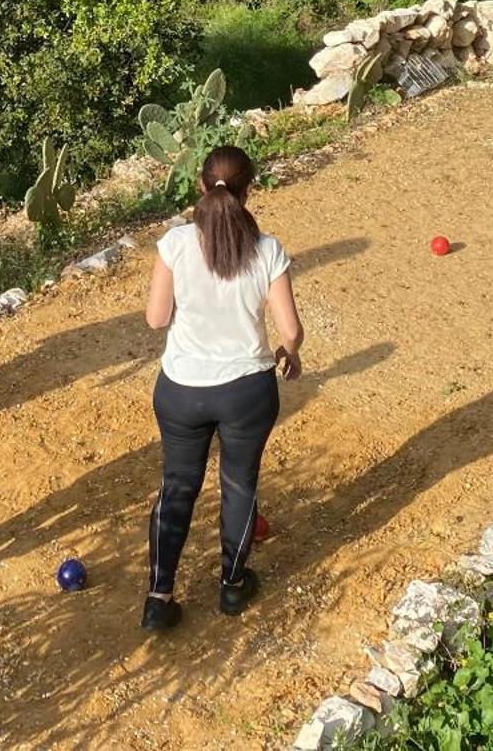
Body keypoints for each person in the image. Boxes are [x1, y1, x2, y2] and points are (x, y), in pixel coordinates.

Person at [141, 144, 303, 632]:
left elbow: (155, 319)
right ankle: (232, 587)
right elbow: (290, 330)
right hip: (246, 392)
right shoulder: (267, 249)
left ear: (200, 185)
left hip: (181, 390)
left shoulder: (175, 243)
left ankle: (158, 597)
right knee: (238, 485)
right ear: (248, 191)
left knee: (178, 486)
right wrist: (288, 354)